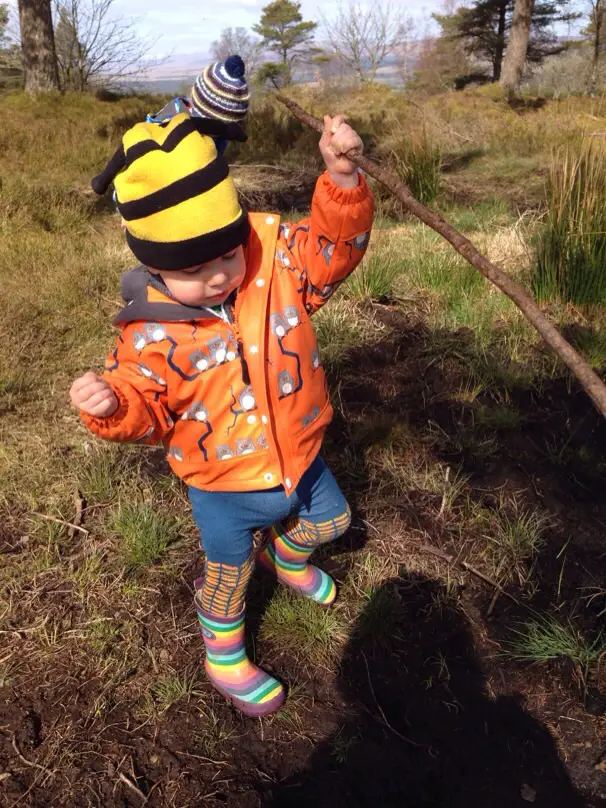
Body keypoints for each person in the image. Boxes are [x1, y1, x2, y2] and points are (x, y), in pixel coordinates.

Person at [71, 110, 374, 717]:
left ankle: (285, 555)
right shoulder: (149, 333)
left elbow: (329, 254)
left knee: (335, 521)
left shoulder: (273, 267)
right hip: (223, 486)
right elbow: (144, 402)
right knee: (227, 577)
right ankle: (223, 652)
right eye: (192, 271)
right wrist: (112, 404)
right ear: (155, 267)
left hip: (301, 455)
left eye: (228, 258)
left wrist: (341, 179)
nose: (217, 277)